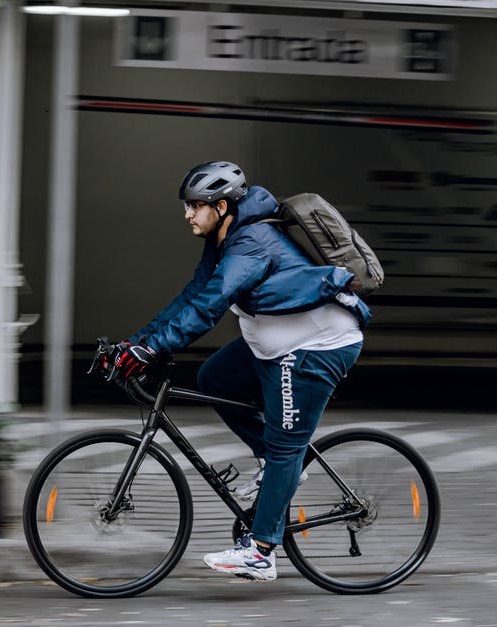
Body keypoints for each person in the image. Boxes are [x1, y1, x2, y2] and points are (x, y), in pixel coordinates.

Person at [110, 160, 370, 582]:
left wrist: (153, 349)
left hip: (316, 345)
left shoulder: (252, 242)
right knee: (214, 379)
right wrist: (138, 344)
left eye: (197, 205)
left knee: (287, 445)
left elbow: (212, 304)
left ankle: (262, 551)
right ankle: (274, 463)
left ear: (225, 206)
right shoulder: (222, 240)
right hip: (273, 342)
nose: (188, 214)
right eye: (188, 205)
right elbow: (192, 296)